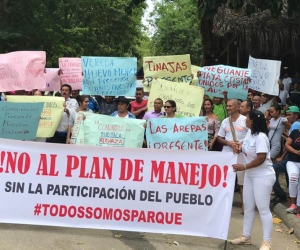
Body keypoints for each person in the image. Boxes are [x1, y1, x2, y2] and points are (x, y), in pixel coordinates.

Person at [231, 110, 275, 250]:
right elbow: (245, 146)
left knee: (263, 209)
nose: (245, 120)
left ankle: (267, 242)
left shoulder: (261, 137)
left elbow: (261, 159)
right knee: (248, 206)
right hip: (250, 175)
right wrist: (239, 147)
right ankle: (246, 236)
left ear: (253, 121)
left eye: (247, 118)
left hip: (263, 175)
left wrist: (243, 166)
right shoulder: (250, 133)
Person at [218, 99, 248, 213]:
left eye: (230, 106)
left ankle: (244, 206)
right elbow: (220, 137)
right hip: (227, 153)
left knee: (242, 182)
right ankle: (223, 205)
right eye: (227, 106)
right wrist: (229, 143)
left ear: (237, 107)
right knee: (224, 179)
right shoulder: (225, 121)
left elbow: (251, 136)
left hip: (241, 153)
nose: (228, 108)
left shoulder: (245, 120)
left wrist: (241, 145)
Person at [271, 106, 300, 204]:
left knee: (272, 170)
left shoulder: (295, 125)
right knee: (290, 177)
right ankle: (292, 200)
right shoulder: (294, 125)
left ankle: (281, 195)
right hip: (292, 157)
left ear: (296, 115)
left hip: (291, 158)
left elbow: (290, 144)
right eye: (286, 115)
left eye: (289, 115)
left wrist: (282, 157)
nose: (287, 117)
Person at [285, 126, 300, 216]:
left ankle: (298, 212)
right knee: (293, 178)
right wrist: (296, 152)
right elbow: (287, 145)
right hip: (293, 161)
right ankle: (293, 204)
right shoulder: (295, 132)